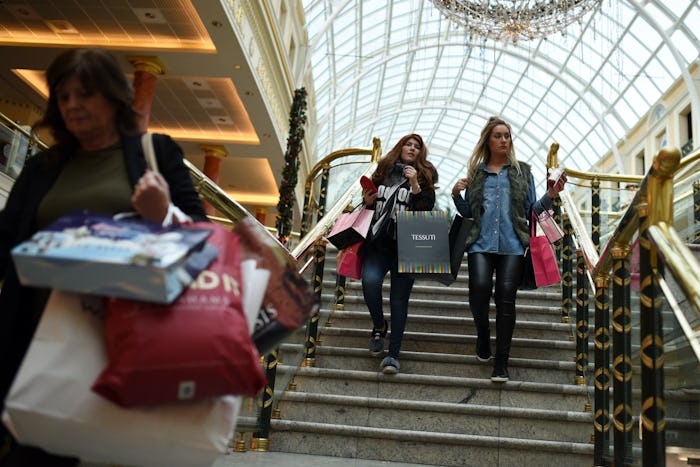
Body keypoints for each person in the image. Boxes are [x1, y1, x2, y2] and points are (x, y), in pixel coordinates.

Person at [0, 47, 207, 466]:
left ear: (114, 96)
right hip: (38, 339)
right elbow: (8, 238)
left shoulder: (156, 153)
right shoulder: (44, 166)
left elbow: (202, 239)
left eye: (85, 94)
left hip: (122, 340)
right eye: (63, 96)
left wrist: (162, 212)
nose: (73, 106)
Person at [451, 116, 567, 383]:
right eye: (498, 136)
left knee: (506, 299)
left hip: (514, 244)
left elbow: (532, 211)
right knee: (478, 290)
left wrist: (550, 196)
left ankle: (501, 362)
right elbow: (471, 213)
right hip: (480, 243)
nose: (504, 140)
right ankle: (483, 335)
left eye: (507, 135)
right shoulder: (477, 173)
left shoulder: (523, 171)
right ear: (488, 141)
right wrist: (457, 195)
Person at [361, 134, 438, 374]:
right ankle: (379, 325)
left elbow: (425, 210)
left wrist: (415, 185)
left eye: (417, 147)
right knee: (370, 282)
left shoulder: (424, 177)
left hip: (408, 245)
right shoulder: (383, 171)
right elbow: (370, 203)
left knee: (398, 300)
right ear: (400, 147)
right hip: (378, 242)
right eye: (409, 144)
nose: (412, 149)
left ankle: (393, 355)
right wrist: (368, 201)